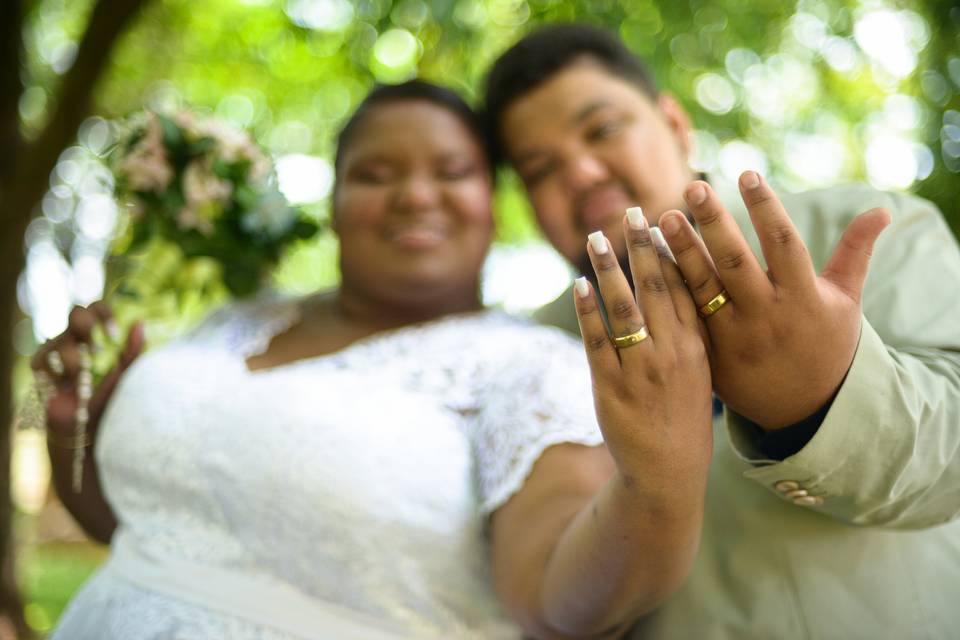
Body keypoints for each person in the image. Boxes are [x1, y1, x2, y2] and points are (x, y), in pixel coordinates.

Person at [34, 80, 714, 639]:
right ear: (332, 204)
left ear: (492, 210)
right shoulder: (233, 323)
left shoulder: (530, 365)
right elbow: (148, 529)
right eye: (374, 174)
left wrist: (657, 485)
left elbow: (555, 599)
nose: (415, 195)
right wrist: (74, 434)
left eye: (451, 172)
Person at [483, 24, 960, 639]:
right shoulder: (531, 348)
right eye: (539, 167)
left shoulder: (861, 230)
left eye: (602, 129)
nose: (579, 171)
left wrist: (817, 402)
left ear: (676, 126)